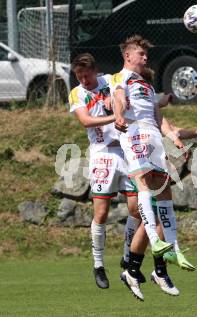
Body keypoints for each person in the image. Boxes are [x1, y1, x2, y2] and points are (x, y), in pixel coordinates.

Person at [110, 34, 196, 297]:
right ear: (128, 56)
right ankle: (155, 240)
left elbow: (159, 118)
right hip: (134, 133)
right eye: (140, 54)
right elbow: (119, 99)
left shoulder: (146, 86)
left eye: (146, 55)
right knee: (145, 183)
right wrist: (118, 116)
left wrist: (175, 140)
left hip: (154, 137)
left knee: (165, 191)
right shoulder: (120, 77)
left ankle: (172, 247)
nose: (145, 58)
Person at [68, 53, 140, 289]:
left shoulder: (110, 81)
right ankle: (98, 265)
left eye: (86, 76)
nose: (84, 81)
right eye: (79, 77)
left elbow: (126, 91)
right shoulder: (77, 93)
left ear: (95, 71)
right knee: (101, 213)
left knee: (136, 209)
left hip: (126, 152)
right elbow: (86, 121)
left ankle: (128, 256)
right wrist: (114, 117)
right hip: (102, 155)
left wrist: (116, 101)